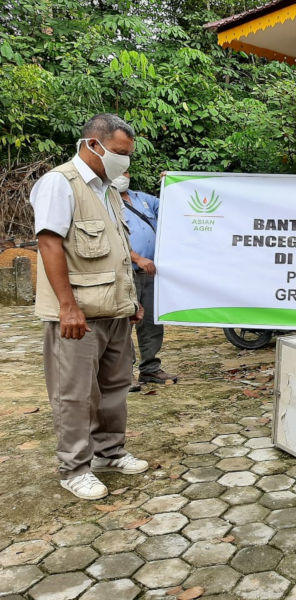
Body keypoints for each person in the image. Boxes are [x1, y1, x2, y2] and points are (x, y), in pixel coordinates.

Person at [30, 113, 149, 500]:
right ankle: (74, 468)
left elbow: (116, 249)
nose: (124, 162)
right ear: (92, 144)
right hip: (77, 316)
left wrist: (130, 302)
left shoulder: (109, 190)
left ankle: (108, 453)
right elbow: (49, 245)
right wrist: (67, 306)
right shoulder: (59, 184)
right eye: (118, 153)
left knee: (115, 387)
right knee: (75, 394)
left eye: (128, 155)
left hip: (114, 311)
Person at [112, 171, 178, 388]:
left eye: (125, 171)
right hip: (124, 271)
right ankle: (123, 373)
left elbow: (172, 206)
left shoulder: (143, 199)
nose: (122, 176)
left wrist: (173, 183)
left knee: (150, 321)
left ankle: (150, 369)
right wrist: (138, 258)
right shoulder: (103, 201)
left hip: (150, 271)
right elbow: (112, 238)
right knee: (125, 321)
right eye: (117, 171)